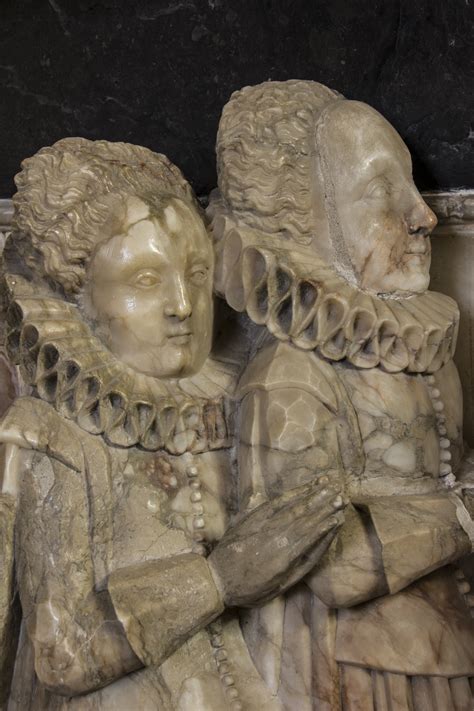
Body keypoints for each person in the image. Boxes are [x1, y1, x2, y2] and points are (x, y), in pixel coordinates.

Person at [0, 138, 344, 710]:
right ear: (80, 297)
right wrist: (218, 582)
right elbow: (60, 653)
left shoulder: (253, 396)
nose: (184, 304)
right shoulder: (50, 438)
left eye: (195, 271)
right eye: (144, 280)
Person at [210, 80, 474, 710]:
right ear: (309, 225)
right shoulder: (291, 382)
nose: (424, 215)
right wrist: (465, 513)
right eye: (383, 192)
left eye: (411, 185)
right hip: (362, 678)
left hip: (445, 649)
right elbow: (335, 566)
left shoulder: (424, 355)